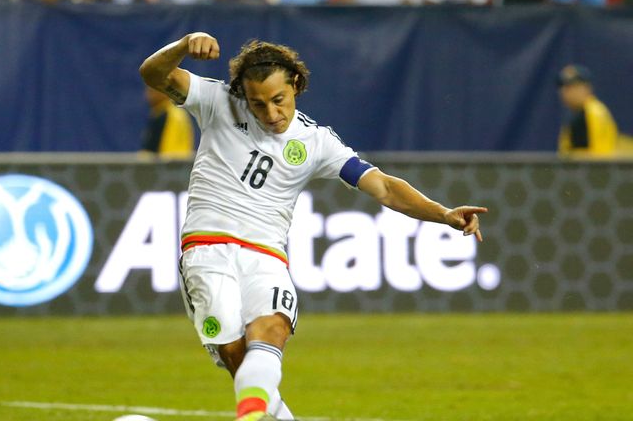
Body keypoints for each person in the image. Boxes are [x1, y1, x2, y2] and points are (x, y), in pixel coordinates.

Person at [139, 32, 488, 421]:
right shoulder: (218, 102)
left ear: (296, 86)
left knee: (271, 333)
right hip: (207, 250)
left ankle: (249, 415)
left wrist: (443, 213)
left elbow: (386, 188)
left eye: (278, 101)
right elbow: (153, 73)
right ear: (244, 96)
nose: (270, 114)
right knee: (239, 361)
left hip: (267, 255)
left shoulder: (317, 142)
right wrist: (186, 44)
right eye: (258, 104)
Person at [556, 64, 619, 158]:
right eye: (562, 86)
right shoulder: (587, 111)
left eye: (572, 86)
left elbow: (598, 155)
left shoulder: (591, 113)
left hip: (592, 171)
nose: (565, 91)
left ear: (587, 88)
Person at [140, 86, 195, 158]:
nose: (147, 96)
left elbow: (168, 153)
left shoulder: (167, 116)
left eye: (152, 91)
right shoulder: (175, 112)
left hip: (169, 167)